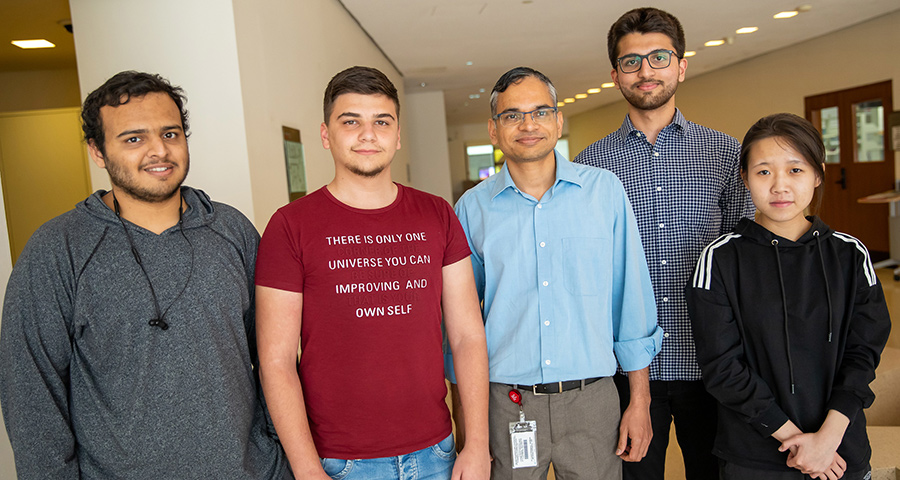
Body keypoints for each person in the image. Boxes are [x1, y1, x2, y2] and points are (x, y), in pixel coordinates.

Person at [0, 71, 291, 479]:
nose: (159, 151)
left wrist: (286, 460)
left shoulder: (232, 231)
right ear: (97, 152)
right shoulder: (57, 251)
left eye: (170, 134)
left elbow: (273, 360)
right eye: (133, 139)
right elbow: (31, 394)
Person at [254, 66, 490, 480]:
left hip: (437, 453)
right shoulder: (290, 226)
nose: (368, 135)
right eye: (351, 122)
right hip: (338, 462)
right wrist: (307, 470)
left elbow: (468, 336)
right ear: (326, 135)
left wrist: (478, 445)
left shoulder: (438, 214)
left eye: (382, 122)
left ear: (397, 135)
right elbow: (276, 361)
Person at [446, 66, 662, 480]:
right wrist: (468, 434)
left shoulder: (604, 192)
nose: (528, 124)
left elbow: (630, 300)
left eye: (540, 112)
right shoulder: (472, 209)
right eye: (512, 115)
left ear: (558, 120)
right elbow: (459, 326)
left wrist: (640, 400)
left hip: (592, 401)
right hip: (505, 404)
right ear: (494, 130)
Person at [573, 7, 755, 479]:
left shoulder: (726, 154)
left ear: (681, 64)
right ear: (615, 75)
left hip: (715, 364)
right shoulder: (590, 168)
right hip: (626, 372)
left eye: (659, 57)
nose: (646, 71)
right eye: (631, 62)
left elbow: (747, 257)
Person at [687, 113, 890, 480]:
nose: (779, 186)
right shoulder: (719, 258)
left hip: (840, 450)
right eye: (764, 171)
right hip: (755, 457)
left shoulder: (849, 254)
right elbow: (722, 366)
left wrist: (827, 440)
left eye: (795, 170)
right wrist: (799, 442)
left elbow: (864, 354)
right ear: (745, 178)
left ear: (817, 174)